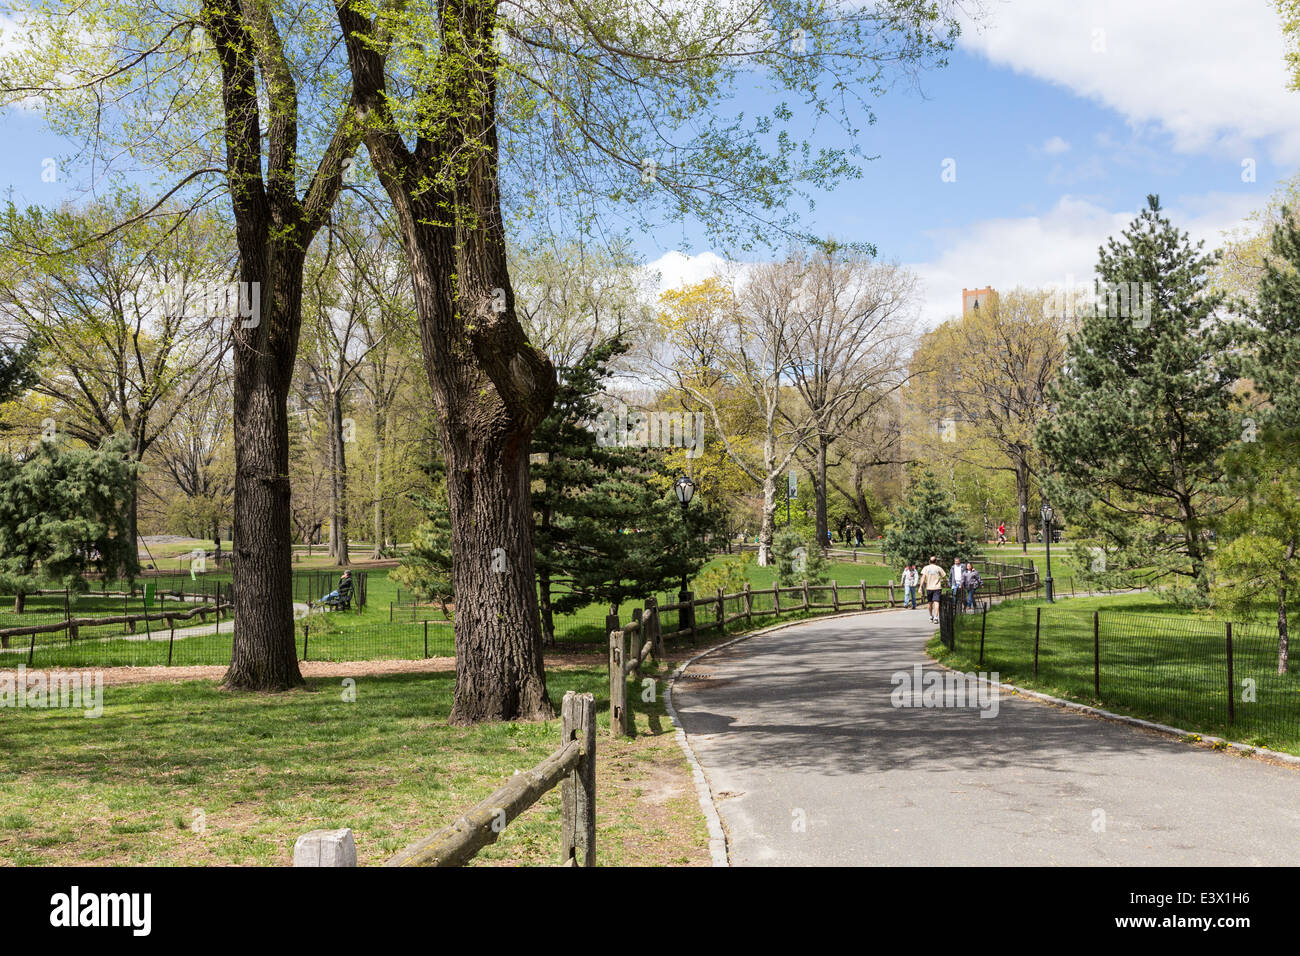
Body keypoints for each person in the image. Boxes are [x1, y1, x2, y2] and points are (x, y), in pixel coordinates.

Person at [919, 556, 946, 624]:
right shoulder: (938, 568)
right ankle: (936, 617)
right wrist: (945, 583)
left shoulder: (926, 568)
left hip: (929, 587)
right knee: (936, 602)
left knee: (930, 602)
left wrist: (920, 587)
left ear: (929, 561)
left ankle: (931, 616)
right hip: (937, 587)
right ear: (936, 561)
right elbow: (944, 577)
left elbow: (923, 577)